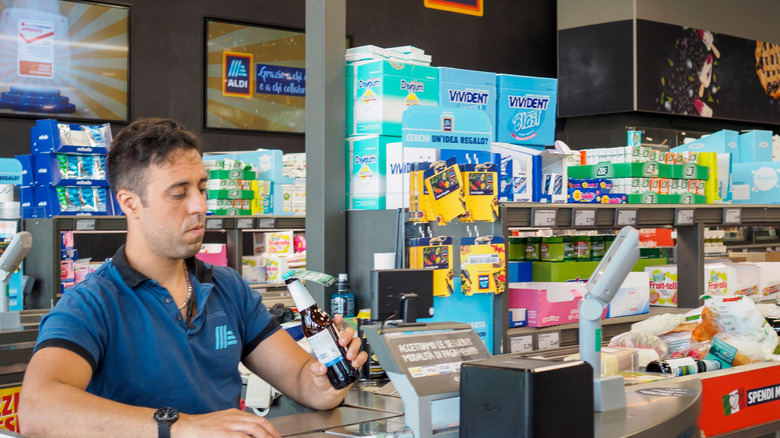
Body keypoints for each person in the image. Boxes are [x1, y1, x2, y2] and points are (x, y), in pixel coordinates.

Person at [18, 118, 367, 438]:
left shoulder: (228, 288)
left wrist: (328, 383)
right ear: (129, 203)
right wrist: (179, 425)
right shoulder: (91, 304)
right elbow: (38, 410)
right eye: (179, 193)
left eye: (202, 187)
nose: (200, 205)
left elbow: (301, 379)